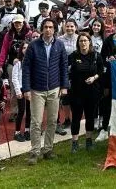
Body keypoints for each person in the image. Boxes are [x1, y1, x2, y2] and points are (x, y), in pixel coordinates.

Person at [22, 18, 69, 164]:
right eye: (45, 27)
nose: (48, 29)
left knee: (52, 121)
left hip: (54, 89)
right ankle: (35, 152)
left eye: (50, 27)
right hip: (37, 90)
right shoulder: (33, 46)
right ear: (42, 29)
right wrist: (26, 89)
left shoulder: (60, 45)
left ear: (54, 29)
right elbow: (26, 68)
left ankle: (48, 149)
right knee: (36, 122)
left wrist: (64, 86)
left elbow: (64, 66)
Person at [68, 33, 104, 152]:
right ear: (78, 43)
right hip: (77, 92)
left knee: (90, 117)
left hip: (92, 92)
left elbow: (101, 70)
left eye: (85, 40)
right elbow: (66, 69)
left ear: (90, 42)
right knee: (76, 117)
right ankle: (75, 143)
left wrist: (94, 77)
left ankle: (89, 141)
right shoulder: (73, 56)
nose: (83, 43)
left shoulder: (96, 56)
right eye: (81, 41)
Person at [11, 41, 32, 142]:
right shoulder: (18, 63)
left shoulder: (33, 61)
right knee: (21, 111)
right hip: (21, 89)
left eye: (27, 48)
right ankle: (17, 132)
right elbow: (14, 78)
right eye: (24, 48)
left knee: (29, 111)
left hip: (30, 89)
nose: (26, 50)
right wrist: (18, 91)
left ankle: (27, 130)